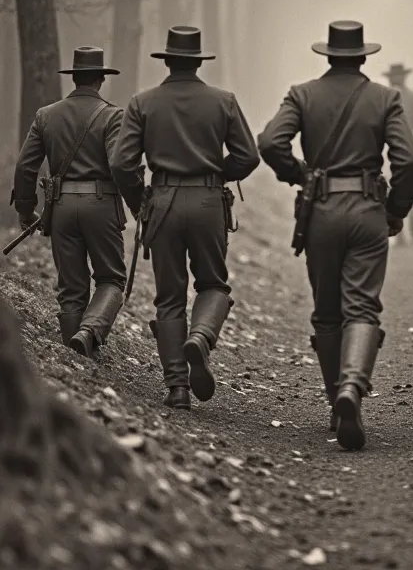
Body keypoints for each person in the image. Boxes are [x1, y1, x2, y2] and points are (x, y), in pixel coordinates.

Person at [257, 20, 413, 450]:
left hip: (321, 214)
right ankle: (353, 389)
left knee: (327, 312)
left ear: (327, 56)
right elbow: (409, 160)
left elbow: (271, 141)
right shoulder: (386, 98)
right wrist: (395, 210)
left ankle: (337, 400)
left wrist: (300, 175)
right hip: (368, 211)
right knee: (363, 306)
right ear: (364, 57)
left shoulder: (301, 94)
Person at [111, 26, 259, 411]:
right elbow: (248, 156)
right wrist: (216, 174)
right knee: (213, 284)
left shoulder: (142, 102)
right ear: (197, 62)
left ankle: (177, 388)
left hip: (161, 203)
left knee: (169, 297)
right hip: (209, 202)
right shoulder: (223, 101)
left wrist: (138, 202)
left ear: (168, 60)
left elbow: (122, 163)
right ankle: (201, 338)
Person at [12, 46, 127, 355]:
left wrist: (25, 208)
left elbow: (25, 166)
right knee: (112, 279)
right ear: (101, 79)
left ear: (74, 79)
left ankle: (76, 356)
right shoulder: (114, 116)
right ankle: (90, 332)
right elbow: (120, 165)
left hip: (60, 209)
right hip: (102, 206)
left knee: (71, 289)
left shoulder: (45, 115)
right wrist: (137, 200)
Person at [383, 63, 413, 243]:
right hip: (398, 145)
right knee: (402, 184)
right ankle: (404, 228)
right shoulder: (387, 98)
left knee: (402, 184)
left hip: (401, 145)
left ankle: (408, 227)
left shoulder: (385, 98)